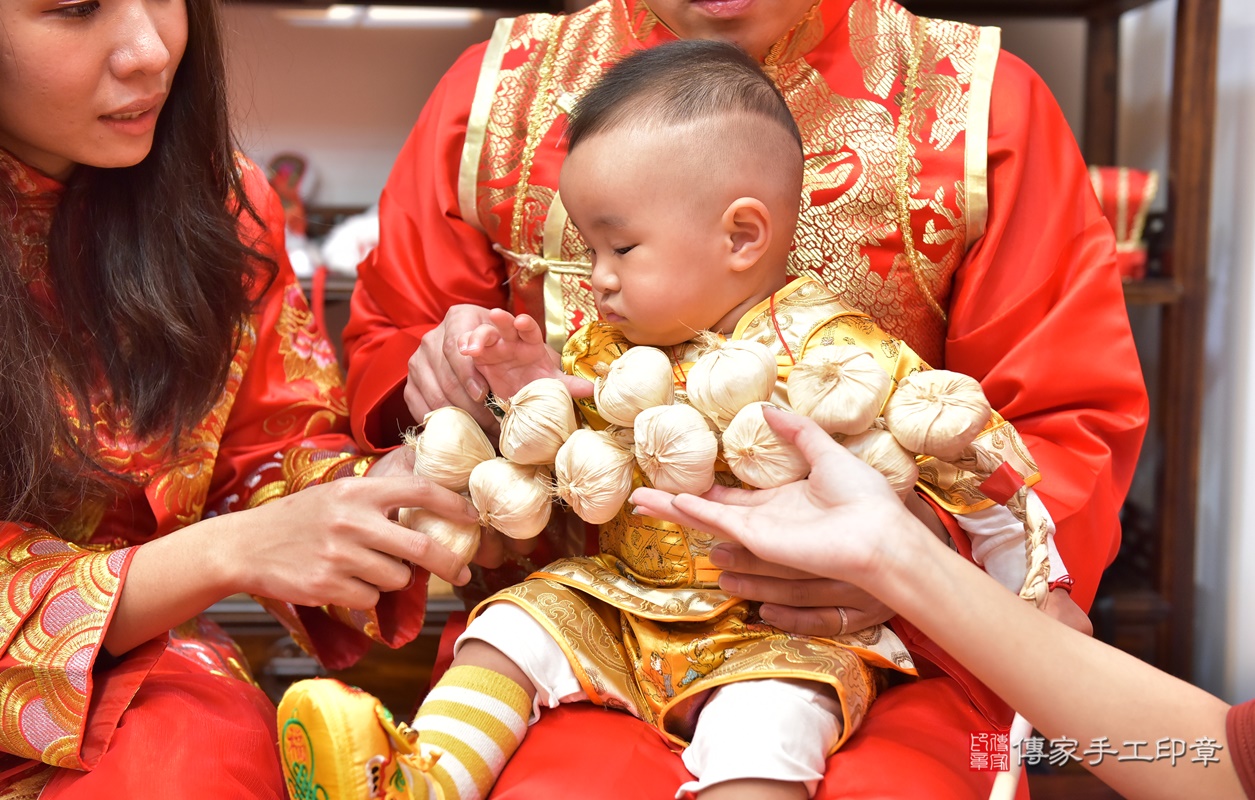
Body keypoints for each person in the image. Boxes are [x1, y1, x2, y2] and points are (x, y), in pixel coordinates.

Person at [342, 0, 1150, 795]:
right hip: (590, 603)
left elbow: (1047, 432)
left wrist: (913, 556)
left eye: (618, 249)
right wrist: (462, 383)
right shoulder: (498, 92)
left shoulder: (975, 105)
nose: (601, 277)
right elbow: (394, 345)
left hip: (893, 644)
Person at [0, 0, 477, 797]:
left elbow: (271, 446)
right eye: (77, 9)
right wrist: (228, 551)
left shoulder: (220, 203)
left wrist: (396, 497)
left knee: (190, 753)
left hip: (147, 673)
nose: (150, 51)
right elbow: (243, 535)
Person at [631, 405, 1255, 800]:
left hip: (884, 653)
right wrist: (888, 549)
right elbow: (1225, 760)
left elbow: (1042, 431)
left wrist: (930, 540)